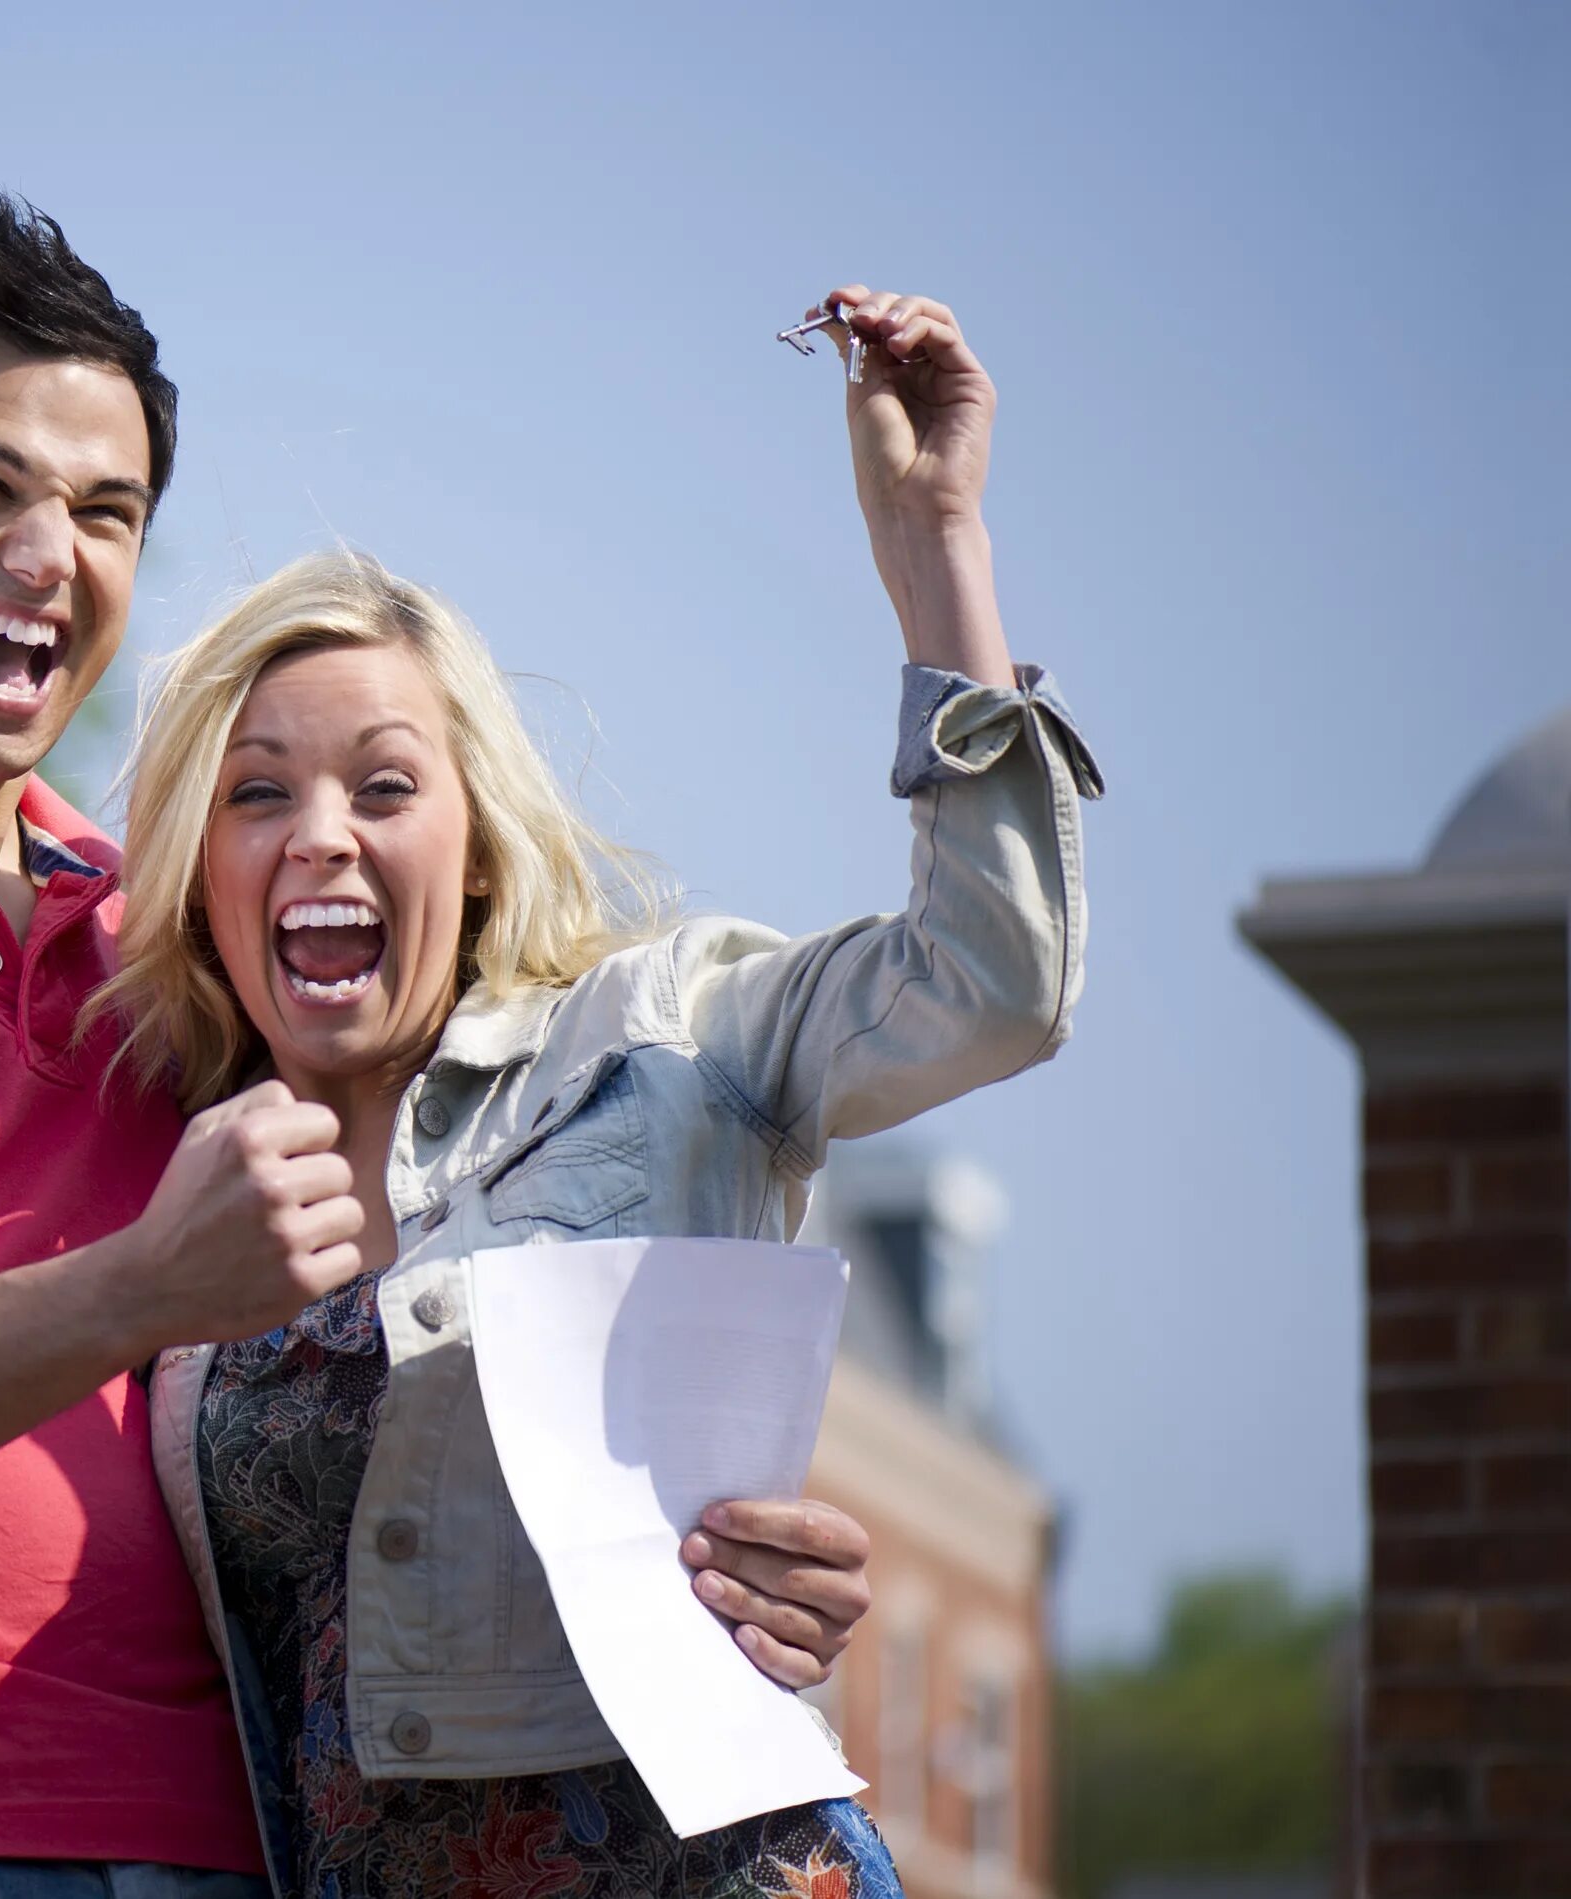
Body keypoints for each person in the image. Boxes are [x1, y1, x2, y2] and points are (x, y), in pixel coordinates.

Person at [0, 198, 870, 1899]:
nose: (49, 552)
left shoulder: (182, 944)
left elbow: (465, 1300)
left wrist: (713, 1547)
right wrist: (131, 1291)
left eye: (105, 511)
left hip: (245, 1852)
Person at [91, 292, 1097, 1894]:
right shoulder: (164, 1195)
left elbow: (995, 982)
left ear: (476, 843)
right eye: (258, 792)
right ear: (197, 872)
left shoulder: (668, 1034)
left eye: (386, 785)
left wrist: (936, 552)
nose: (322, 835)